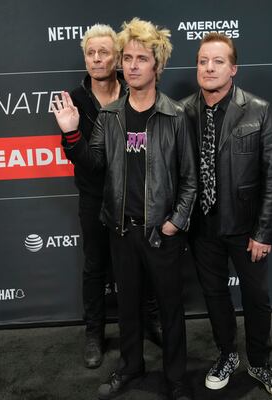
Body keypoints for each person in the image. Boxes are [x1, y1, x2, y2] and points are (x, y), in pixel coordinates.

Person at [53, 18, 196, 400]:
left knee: (169, 310)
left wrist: (175, 222)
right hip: (120, 229)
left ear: (157, 66)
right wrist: (71, 133)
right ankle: (131, 366)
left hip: (160, 231)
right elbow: (94, 163)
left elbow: (190, 180)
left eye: (141, 59)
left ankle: (177, 378)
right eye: (128, 58)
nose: (132, 65)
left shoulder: (175, 115)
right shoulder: (111, 115)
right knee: (129, 306)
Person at [181, 32, 272, 399]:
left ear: (233, 68)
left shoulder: (259, 110)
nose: (208, 68)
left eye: (217, 61)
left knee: (256, 298)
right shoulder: (183, 112)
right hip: (202, 227)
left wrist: (263, 232)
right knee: (215, 296)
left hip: (247, 229)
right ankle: (227, 355)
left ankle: (260, 362)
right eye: (202, 61)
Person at [52, 23, 160, 370]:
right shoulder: (75, 100)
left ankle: (150, 322)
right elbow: (86, 161)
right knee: (96, 267)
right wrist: (70, 133)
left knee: (142, 264)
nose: (97, 59)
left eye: (104, 52)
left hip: (135, 195)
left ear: (117, 58)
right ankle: (94, 334)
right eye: (90, 53)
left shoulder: (136, 91)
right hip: (94, 198)